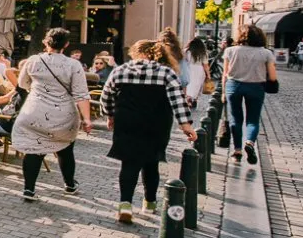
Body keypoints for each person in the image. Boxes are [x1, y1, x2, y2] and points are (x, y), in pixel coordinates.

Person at [102, 40, 197, 223]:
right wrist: (186, 125)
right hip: (157, 123)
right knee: (151, 162)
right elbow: (178, 101)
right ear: (159, 53)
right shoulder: (167, 73)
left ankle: (125, 204)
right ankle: (150, 202)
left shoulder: (121, 70)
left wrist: (110, 115)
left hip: (127, 121)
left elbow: (107, 95)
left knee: (129, 163)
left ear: (136, 53)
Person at [12, 28, 92, 202]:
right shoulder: (74, 65)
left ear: (45, 42)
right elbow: (81, 94)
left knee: (34, 150)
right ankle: (69, 185)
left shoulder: (33, 60)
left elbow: (22, 83)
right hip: (62, 115)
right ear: (67, 44)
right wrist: (87, 119)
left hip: (33, 112)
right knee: (65, 149)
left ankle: (29, 189)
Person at [223, 25, 277, 165]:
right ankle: (250, 143)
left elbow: (225, 73)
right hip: (256, 87)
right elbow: (272, 76)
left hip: (233, 86)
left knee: (235, 118)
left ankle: (237, 151)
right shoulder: (266, 53)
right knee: (253, 119)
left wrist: (223, 92)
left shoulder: (230, 51)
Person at [183, 37, 209, 106]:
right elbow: (205, 65)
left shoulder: (186, 51)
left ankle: (188, 98)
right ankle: (194, 99)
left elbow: (183, 61)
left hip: (188, 69)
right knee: (197, 85)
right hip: (199, 70)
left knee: (189, 84)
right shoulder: (203, 52)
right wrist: (208, 75)